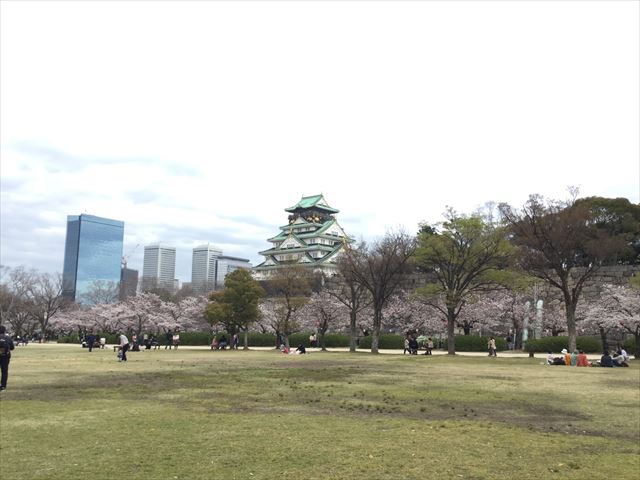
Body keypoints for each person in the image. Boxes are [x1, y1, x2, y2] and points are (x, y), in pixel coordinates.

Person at [0, 325, 16, 391]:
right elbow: (12, 347)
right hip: (5, 357)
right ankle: (3, 385)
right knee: (4, 371)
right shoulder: (7, 338)